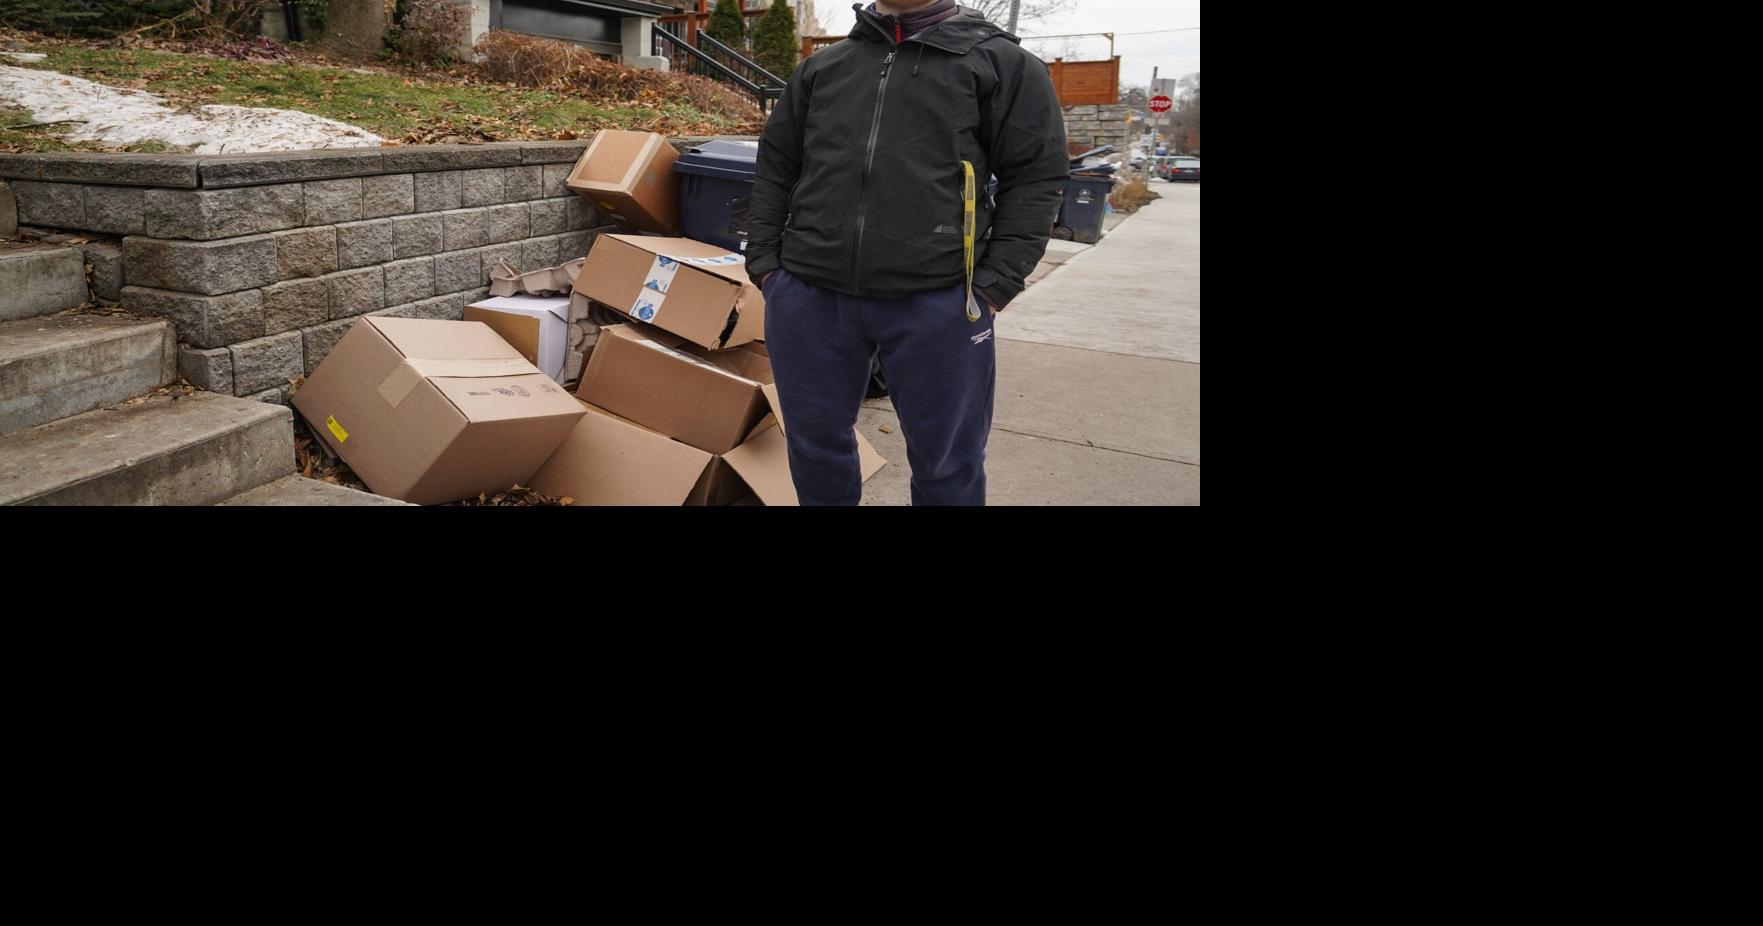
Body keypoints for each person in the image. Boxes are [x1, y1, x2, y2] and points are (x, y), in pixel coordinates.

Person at [744, 0, 1068, 506]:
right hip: (810, 296)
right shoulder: (823, 67)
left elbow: (1036, 176)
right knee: (814, 449)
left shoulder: (1004, 64)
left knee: (948, 464)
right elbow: (776, 165)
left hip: (940, 299)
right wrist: (766, 265)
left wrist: (996, 283)